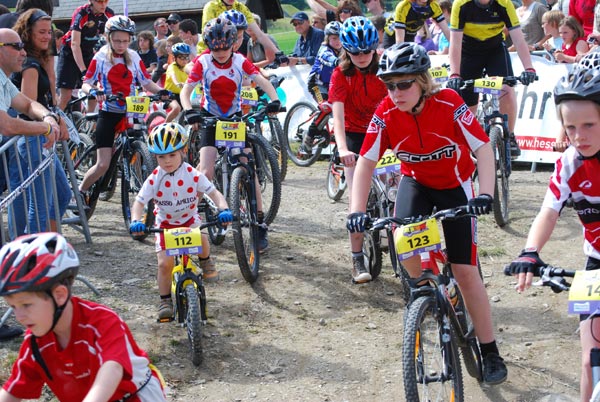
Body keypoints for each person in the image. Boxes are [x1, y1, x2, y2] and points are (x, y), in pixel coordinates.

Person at [348, 42, 508, 385]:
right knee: (400, 237)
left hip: (455, 184)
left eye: (404, 84)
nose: (396, 92)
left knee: (465, 271)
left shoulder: (449, 103)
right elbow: (365, 162)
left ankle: (490, 350)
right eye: (390, 85)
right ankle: (423, 291)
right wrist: (356, 211)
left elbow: (482, 148)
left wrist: (485, 194)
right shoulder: (385, 112)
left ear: (423, 81)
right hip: (416, 181)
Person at [506, 50, 600, 401]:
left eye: (589, 125)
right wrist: (531, 251)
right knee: (591, 359)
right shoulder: (570, 163)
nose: (579, 136)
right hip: (596, 265)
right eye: (570, 127)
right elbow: (548, 211)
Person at [0, 232, 167, 401]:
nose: (19, 316)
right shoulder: (35, 342)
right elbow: (13, 391)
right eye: (13, 307)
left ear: (59, 295)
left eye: (26, 305)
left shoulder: (102, 321)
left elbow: (112, 369)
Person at [180, 17, 281, 253]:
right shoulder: (202, 62)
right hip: (210, 118)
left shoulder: (240, 60)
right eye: (216, 48)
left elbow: (260, 80)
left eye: (226, 47)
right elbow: (186, 91)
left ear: (233, 44)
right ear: (209, 46)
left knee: (248, 166)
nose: (222, 52)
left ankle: (258, 223)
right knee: (205, 171)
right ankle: (187, 221)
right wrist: (188, 112)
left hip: (234, 119)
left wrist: (274, 100)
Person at [130, 123, 233, 319]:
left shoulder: (193, 174)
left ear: (183, 152)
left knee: (202, 237)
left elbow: (214, 193)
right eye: (161, 157)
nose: (167, 161)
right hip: (165, 224)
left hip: (189, 219)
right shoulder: (154, 178)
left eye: (172, 155)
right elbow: (139, 202)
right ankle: (164, 300)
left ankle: (206, 261)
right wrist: (136, 220)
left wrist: (224, 209)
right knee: (164, 264)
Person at [77, 16, 169, 207]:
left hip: (131, 110)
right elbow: (86, 82)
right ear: (109, 38)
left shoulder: (134, 56)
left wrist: (162, 93)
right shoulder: (101, 56)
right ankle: (81, 192)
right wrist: (94, 91)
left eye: (126, 41)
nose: (121, 45)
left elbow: (146, 81)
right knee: (102, 164)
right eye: (117, 40)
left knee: (138, 144)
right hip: (108, 112)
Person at [329, 16, 387, 283]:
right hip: (354, 136)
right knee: (357, 202)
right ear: (346, 50)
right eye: (355, 52)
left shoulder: (385, 66)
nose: (362, 57)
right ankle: (357, 258)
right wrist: (342, 149)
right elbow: (338, 118)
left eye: (367, 51)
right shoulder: (340, 73)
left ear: (375, 47)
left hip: (384, 132)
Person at [447, 0, 538, 159]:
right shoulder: (461, 4)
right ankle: (466, 144)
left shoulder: (504, 3)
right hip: (468, 52)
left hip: (494, 49)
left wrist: (529, 68)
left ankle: (509, 135)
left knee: (507, 90)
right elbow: (455, 43)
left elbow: (518, 39)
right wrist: (455, 74)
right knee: (469, 107)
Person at [11, 9, 71, 234]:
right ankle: (35, 252)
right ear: (28, 33)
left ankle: (49, 242)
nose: (47, 36)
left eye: (49, 32)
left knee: (62, 195)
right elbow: (28, 105)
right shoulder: (31, 65)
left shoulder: (36, 60)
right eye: (41, 32)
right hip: (34, 138)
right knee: (41, 202)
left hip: (42, 135)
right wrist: (52, 119)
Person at [56, 0, 114, 111]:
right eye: (100, 1)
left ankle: (89, 120)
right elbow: (74, 44)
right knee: (66, 95)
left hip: (88, 52)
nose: (103, 5)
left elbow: (111, 41)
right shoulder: (82, 13)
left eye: (106, 1)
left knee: (95, 90)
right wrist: (83, 71)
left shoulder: (109, 14)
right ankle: (56, 120)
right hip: (70, 52)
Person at [302, 21, 343, 153]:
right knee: (326, 107)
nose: (338, 41)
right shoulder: (324, 50)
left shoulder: (344, 49)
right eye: (334, 38)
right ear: (328, 38)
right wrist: (337, 61)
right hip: (317, 85)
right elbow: (327, 59)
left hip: (333, 85)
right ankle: (309, 136)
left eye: (340, 37)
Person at [200, 0, 277, 62]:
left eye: (240, 36)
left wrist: (278, 53)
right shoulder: (211, 7)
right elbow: (208, 34)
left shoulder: (240, 7)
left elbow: (260, 34)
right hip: (211, 52)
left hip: (230, 52)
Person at [162, 42, 187, 122]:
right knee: (177, 108)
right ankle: (165, 126)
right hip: (169, 94)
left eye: (186, 57)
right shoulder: (172, 67)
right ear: (175, 58)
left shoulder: (187, 67)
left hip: (182, 95)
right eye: (181, 57)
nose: (184, 60)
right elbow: (173, 76)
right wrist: (177, 83)